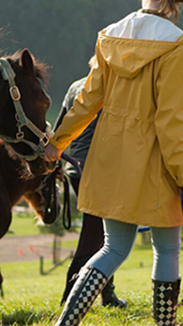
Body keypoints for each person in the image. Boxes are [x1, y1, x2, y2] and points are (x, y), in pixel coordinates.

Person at [44, 0, 183, 326]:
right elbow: (170, 122)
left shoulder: (111, 36)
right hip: (156, 166)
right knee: (166, 249)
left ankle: (64, 324)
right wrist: (182, 176)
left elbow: (86, 98)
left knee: (112, 248)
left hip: (110, 160)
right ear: (177, 1)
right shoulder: (178, 48)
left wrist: (57, 142)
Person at [54, 75, 127, 309]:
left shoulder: (75, 86)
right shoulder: (114, 87)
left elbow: (59, 128)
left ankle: (107, 295)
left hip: (74, 168)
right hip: (98, 169)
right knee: (95, 238)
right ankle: (69, 299)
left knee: (104, 236)